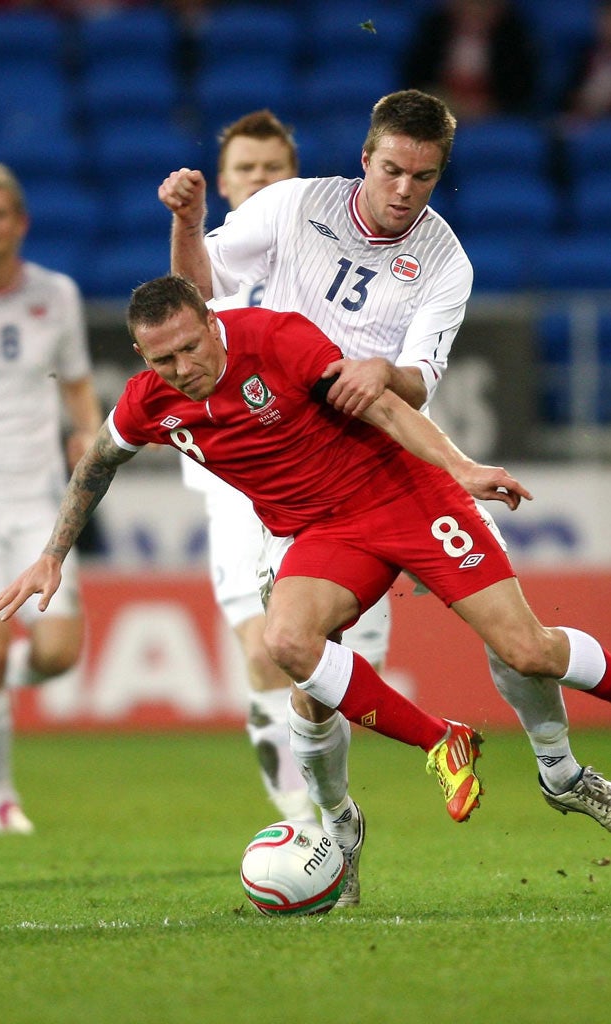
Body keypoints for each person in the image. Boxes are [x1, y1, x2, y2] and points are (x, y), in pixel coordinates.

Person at [0, 277, 611, 873]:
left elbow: (378, 404)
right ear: (141, 359)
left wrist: (461, 466)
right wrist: (54, 552)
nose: (182, 370)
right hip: (325, 534)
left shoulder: (276, 337)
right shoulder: (152, 403)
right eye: (162, 361)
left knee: (528, 651)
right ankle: (443, 741)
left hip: (405, 495)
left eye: (189, 348)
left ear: (212, 323)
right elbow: (97, 461)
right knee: (286, 644)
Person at [157, 88, 611, 902]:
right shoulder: (290, 208)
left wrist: (383, 377)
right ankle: (335, 831)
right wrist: (187, 220)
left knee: (513, 636)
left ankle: (561, 769)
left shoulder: (446, 260)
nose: (403, 189)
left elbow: (418, 382)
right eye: (392, 169)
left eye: (423, 176)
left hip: (389, 473)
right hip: (290, 496)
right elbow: (198, 295)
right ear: (366, 159)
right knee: (313, 681)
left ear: (438, 174)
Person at [181, 109, 391, 823]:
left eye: (273, 168)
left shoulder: (329, 258)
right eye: (246, 169)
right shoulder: (208, 267)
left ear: (292, 175)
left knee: (340, 672)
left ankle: (328, 808)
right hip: (236, 487)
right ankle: (303, 820)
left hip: (339, 480)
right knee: (268, 648)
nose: (260, 180)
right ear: (226, 181)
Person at [0, 162, 101, 834]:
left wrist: (88, 433)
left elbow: (77, 384)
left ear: (19, 223)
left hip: (41, 501)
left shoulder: (56, 295)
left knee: (57, 653)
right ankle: (1, 800)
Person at [401, 0, 538, 120]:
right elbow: (416, 77)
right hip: (440, 104)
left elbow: (521, 87)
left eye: (483, 4)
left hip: (493, 111)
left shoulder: (513, 35)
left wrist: (486, 106)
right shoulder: (435, 29)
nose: (475, 10)